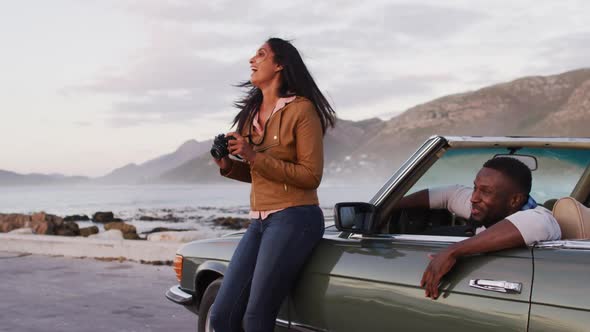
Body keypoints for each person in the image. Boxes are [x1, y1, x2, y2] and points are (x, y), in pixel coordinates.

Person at [209, 38, 336, 331]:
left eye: (261, 54)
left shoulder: (302, 110)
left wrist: (253, 154)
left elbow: (310, 176)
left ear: (279, 65)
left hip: (296, 217)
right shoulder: (249, 116)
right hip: (259, 221)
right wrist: (227, 165)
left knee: (256, 317)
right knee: (221, 316)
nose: (252, 59)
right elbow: (257, 174)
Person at [397, 157, 561, 299]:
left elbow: (529, 224)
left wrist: (452, 251)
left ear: (515, 200)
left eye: (486, 191)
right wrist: (389, 207)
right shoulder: (491, 206)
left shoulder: (543, 219)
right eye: (475, 187)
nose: (474, 198)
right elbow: (450, 195)